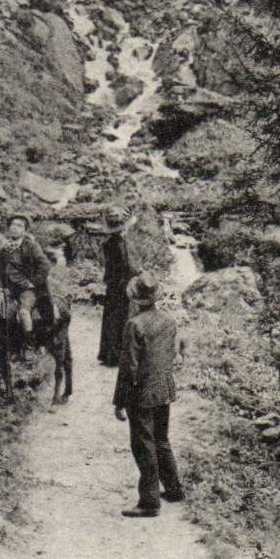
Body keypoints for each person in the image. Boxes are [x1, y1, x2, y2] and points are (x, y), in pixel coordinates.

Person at [113, 271, 184, 517]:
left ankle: (150, 501)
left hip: (141, 393)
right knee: (162, 440)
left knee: (144, 445)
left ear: (136, 299)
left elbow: (128, 367)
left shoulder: (134, 325)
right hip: (164, 389)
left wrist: (119, 401)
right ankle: (174, 489)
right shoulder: (169, 320)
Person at [0, 214, 52, 338]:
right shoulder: (5, 249)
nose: (14, 228)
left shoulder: (31, 246)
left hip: (27, 290)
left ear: (24, 230)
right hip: (9, 289)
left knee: (24, 313)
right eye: (12, 225)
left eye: (19, 226)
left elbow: (45, 265)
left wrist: (33, 282)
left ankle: (29, 345)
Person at [98, 204, 135, 367]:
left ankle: (107, 354)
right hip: (120, 284)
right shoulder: (118, 243)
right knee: (118, 318)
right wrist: (138, 272)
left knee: (111, 317)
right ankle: (114, 356)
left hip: (113, 283)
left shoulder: (109, 242)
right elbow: (125, 266)